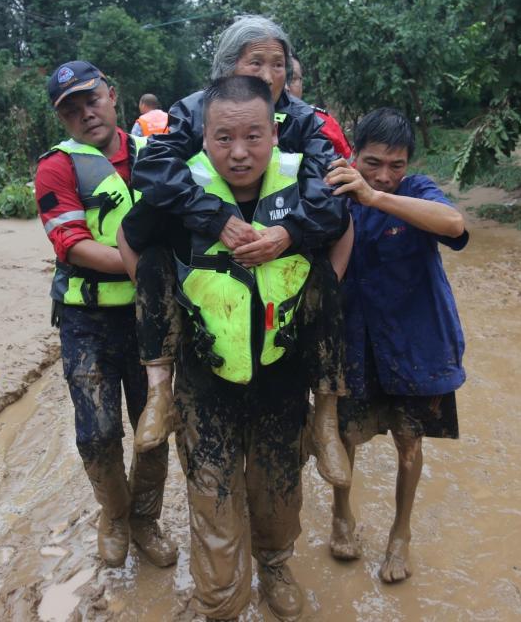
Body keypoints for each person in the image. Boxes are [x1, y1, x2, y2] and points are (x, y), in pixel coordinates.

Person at [119, 76, 353, 621]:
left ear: (274, 133)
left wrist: (302, 269)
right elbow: (132, 243)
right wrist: (168, 309)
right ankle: (222, 600)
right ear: (203, 136)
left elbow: (342, 228)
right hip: (207, 382)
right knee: (213, 498)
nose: (239, 152)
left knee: (277, 493)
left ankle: (274, 562)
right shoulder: (182, 191)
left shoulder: (302, 182)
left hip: (281, 374)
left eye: (253, 136)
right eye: (224, 138)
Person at [129, 15, 351, 490]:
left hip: (282, 259)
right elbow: (152, 170)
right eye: (256, 63)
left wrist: (289, 232)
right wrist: (213, 218)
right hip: (212, 256)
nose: (269, 76)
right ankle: (159, 391)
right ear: (227, 67)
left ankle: (326, 415)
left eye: (278, 64)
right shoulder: (194, 110)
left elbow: (330, 194)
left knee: (328, 277)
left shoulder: (304, 119)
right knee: (148, 246)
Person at [32, 60, 177, 569]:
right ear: (63, 121)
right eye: (71, 110)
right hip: (86, 321)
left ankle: (145, 518)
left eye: (91, 100)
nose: (85, 114)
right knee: (95, 431)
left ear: (113, 96)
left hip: (150, 319)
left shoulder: (156, 155)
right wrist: (148, 269)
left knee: (152, 429)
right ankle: (114, 513)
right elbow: (70, 243)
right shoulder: (56, 167)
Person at [322, 107, 468, 584]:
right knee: (344, 436)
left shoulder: (417, 191)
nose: (384, 175)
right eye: (372, 163)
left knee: (410, 441)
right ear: (353, 155)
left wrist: (377, 198)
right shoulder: (332, 191)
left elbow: (453, 224)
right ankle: (341, 513)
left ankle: (400, 534)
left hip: (414, 343)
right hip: (354, 340)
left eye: (396, 166)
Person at [288, 54, 352, 159]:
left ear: (302, 83)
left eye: (292, 78)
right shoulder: (254, 121)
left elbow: (349, 165)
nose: (286, 87)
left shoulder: (322, 121)